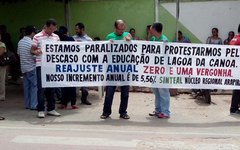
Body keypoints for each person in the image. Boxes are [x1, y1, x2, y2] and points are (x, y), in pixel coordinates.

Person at [100, 19, 132, 119]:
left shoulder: (127, 35)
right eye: (120, 29)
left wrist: (128, 39)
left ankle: (123, 112)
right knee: (109, 92)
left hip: (124, 68)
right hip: (112, 68)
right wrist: (108, 44)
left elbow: (130, 40)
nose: (122, 31)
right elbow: (105, 51)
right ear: (115, 28)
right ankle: (106, 112)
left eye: (123, 29)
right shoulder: (110, 37)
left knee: (125, 93)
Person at [31, 18, 61, 118]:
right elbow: (32, 51)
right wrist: (37, 52)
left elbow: (60, 50)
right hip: (41, 65)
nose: (52, 31)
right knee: (41, 88)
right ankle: (40, 109)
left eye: (54, 29)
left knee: (51, 88)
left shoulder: (56, 37)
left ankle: (51, 108)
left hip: (52, 66)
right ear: (46, 27)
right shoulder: (37, 36)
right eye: (50, 29)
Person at [148, 22, 170, 119]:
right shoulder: (153, 39)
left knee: (163, 91)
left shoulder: (164, 41)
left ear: (155, 29)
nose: (150, 29)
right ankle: (158, 110)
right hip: (154, 70)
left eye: (151, 28)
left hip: (162, 70)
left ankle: (165, 112)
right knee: (156, 91)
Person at [57, 26, 78, 109]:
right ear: (67, 32)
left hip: (61, 64)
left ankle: (64, 103)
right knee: (72, 84)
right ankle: (73, 103)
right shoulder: (71, 39)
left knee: (63, 85)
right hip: (71, 64)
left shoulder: (58, 40)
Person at [17, 25, 38, 110]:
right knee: (34, 86)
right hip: (32, 67)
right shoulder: (32, 43)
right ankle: (33, 105)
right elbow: (34, 56)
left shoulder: (20, 42)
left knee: (26, 87)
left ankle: (27, 104)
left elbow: (18, 53)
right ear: (32, 33)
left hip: (23, 67)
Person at [72, 22, 92, 105]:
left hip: (85, 63)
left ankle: (84, 98)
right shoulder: (72, 38)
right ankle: (72, 100)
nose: (76, 31)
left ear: (82, 29)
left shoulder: (89, 40)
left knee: (85, 82)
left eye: (77, 29)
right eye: (75, 29)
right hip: (74, 63)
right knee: (72, 82)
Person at [230, 24, 240, 114]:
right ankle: (234, 108)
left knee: (237, 88)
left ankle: (234, 107)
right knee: (237, 89)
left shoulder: (234, 39)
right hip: (238, 67)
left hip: (235, 67)